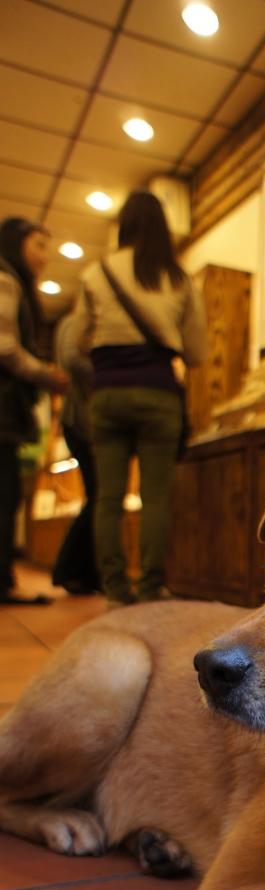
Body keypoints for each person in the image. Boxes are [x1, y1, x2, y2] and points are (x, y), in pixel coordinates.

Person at [71, 190, 206, 607]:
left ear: (124, 225)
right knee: (155, 498)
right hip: (158, 394)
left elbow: (76, 341)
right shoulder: (178, 278)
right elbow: (197, 352)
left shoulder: (97, 274)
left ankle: (114, 589)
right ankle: (149, 587)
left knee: (107, 498)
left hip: (108, 394)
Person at [0, 218, 68, 605]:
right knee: (4, 493)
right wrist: (47, 375)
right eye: (39, 245)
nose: (45, 256)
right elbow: (5, 347)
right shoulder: (6, 280)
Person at [51, 312, 99, 595]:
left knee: (98, 496)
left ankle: (82, 571)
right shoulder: (76, 322)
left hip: (85, 421)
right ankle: (69, 568)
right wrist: (110, 374)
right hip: (82, 422)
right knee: (99, 496)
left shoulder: (77, 323)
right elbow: (71, 360)